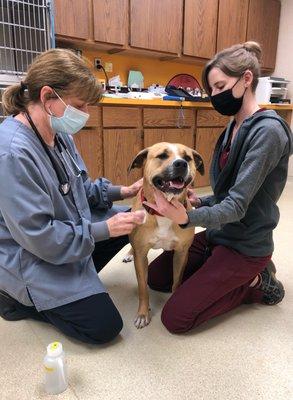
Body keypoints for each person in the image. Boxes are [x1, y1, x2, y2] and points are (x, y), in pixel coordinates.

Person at [143, 41, 293, 334]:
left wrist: (185, 218)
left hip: (245, 244)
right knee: (156, 277)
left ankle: (258, 283)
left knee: (176, 319)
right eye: (211, 90)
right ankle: (221, 271)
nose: (215, 96)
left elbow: (237, 205)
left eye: (220, 86)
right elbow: (226, 194)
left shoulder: (268, 132)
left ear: (246, 79)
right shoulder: (233, 127)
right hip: (218, 234)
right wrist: (201, 202)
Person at [0, 48, 145, 344]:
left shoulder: (59, 134)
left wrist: (123, 191)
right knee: (105, 326)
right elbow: (39, 236)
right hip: (31, 255)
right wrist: (104, 229)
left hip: (64, 236)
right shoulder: (12, 153)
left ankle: (79, 282)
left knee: (127, 219)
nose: (85, 114)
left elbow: (79, 189)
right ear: (47, 96)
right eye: (80, 105)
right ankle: (17, 300)